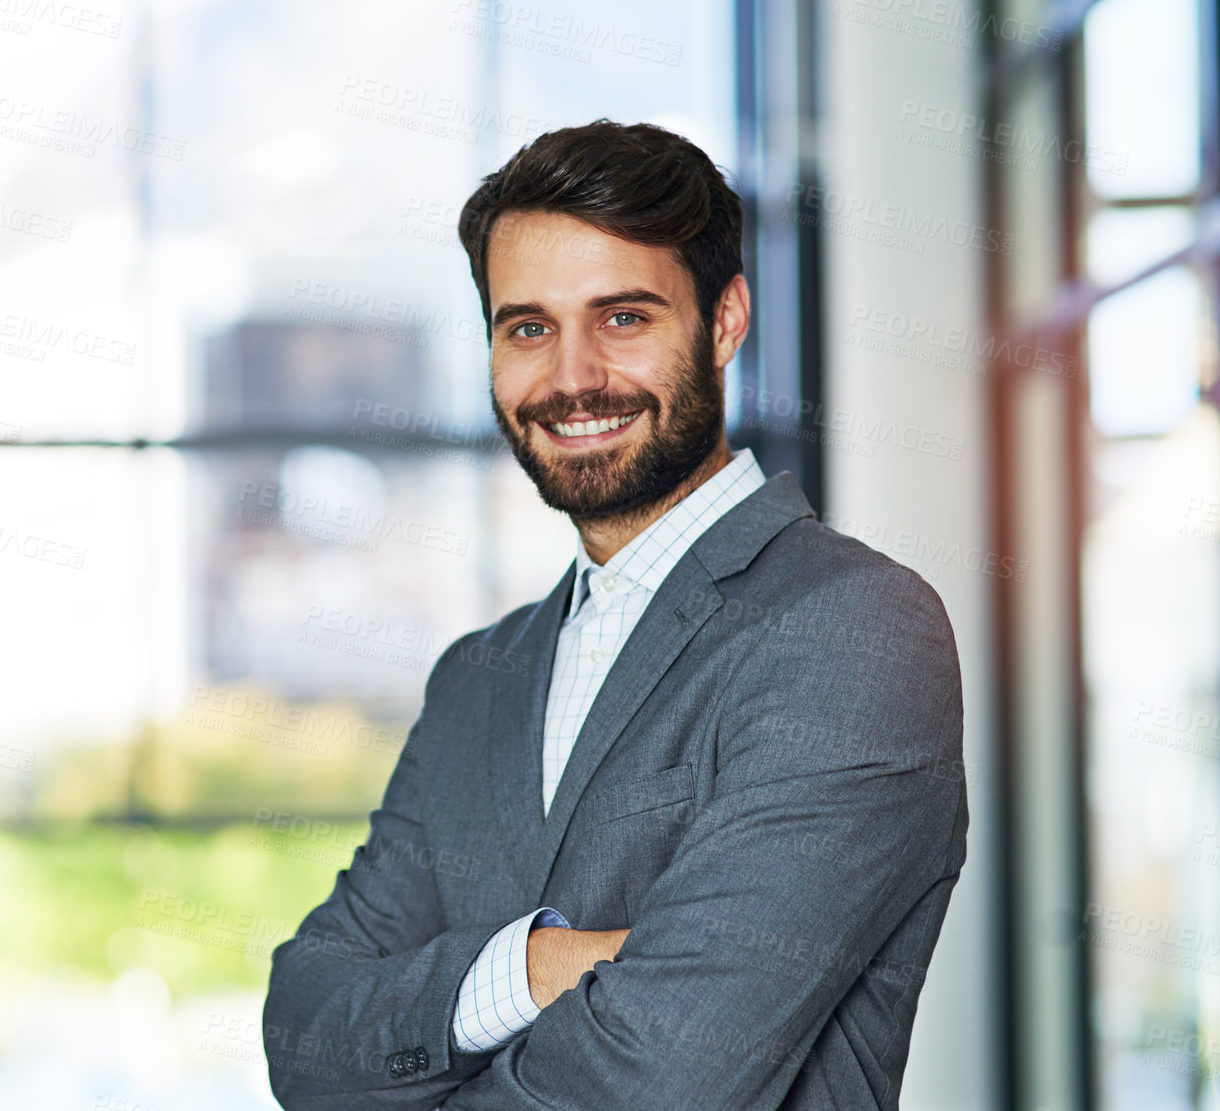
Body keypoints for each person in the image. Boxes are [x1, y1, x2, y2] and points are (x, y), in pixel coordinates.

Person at [261, 119, 967, 1109]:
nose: (571, 376)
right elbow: (301, 1033)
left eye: (623, 317)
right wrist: (533, 965)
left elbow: (661, 1075)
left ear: (723, 321)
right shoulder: (478, 676)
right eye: (528, 327)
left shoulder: (851, 628)